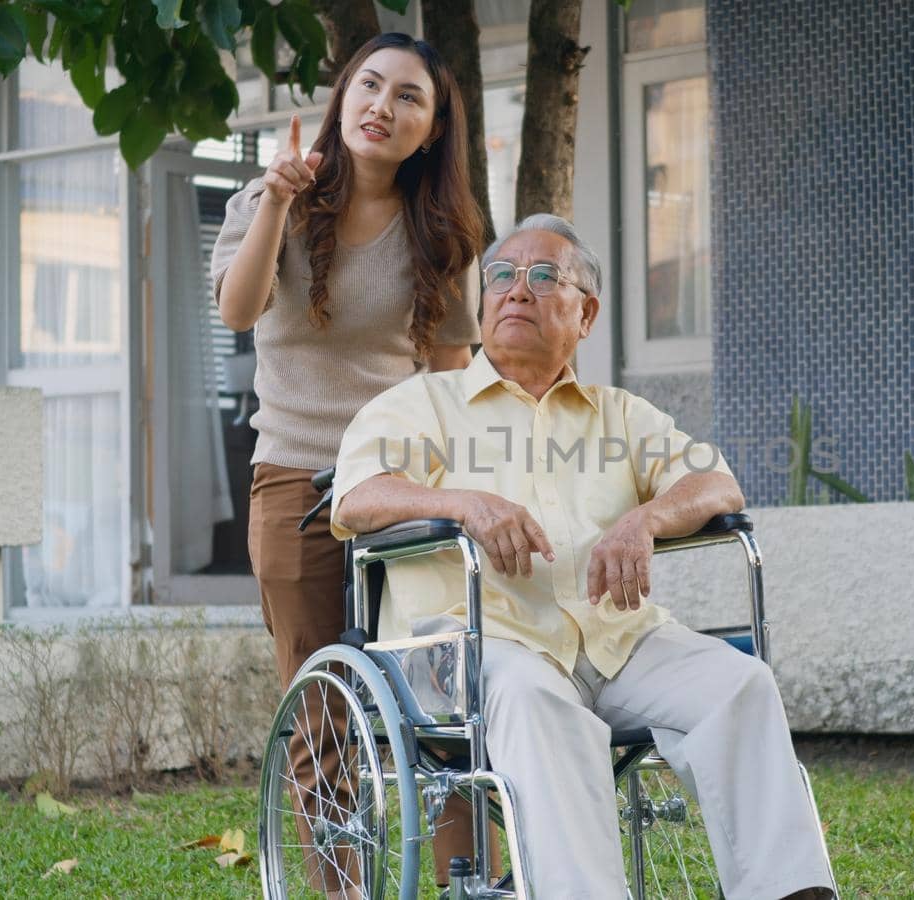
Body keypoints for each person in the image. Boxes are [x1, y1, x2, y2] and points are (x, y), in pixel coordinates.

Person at [328, 214, 838, 898]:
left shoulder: (620, 415)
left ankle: (788, 891)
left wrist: (646, 519)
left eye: (544, 277)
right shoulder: (423, 404)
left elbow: (717, 484)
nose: (517, 291)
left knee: (738, 683)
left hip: (615, 640)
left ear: (586, 312)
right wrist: (463, 503)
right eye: (502, 276)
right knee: (544, 702)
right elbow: (356, 499)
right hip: (474, 648)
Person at [209, 31, 496, 893]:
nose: (383, 106)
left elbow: (449, 377)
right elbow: (236, 310)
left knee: (439, 702)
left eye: (409, 97)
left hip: (401, 489)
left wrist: (453, 494)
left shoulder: (443, 232)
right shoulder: (273, 198)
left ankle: (463, 882)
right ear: (341, 98)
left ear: (432, 129)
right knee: (322, 714)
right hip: (293, 480)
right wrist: (275, 205)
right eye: (370, 85)